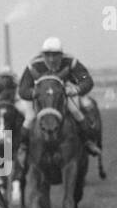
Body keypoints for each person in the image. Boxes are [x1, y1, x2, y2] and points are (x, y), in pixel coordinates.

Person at [17, 37, 104, 175]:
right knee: (30, 117)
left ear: (61, 54)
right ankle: (23, 147)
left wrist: (76, 89)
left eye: (55, 55)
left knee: (79, 110)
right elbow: (22, 89)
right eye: (48, 55)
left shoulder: (71, 62)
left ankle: (87, 141)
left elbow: (87, 81)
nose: (51, 59)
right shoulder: (34, 64)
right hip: (42, 97)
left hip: (64, 93)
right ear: (42, 55)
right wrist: (36, 93)